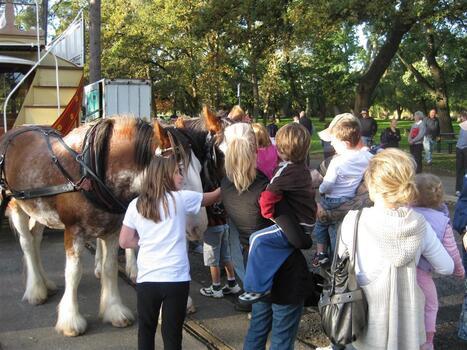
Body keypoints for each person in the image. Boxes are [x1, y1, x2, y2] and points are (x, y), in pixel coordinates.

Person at [338, 148, 454, 349]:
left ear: (372, 184)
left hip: (362, 321)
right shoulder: (420, 225)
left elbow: (341, 262)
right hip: (408, 329)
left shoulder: (353, 221)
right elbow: (447, 267)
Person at [220, 122, 317, 349]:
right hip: (284, 271)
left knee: (258, 328)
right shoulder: (266, 187)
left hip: (255, 266)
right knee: (282, 338)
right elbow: (298, 239)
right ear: (255, 152)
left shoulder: (226, 186)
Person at [119, 153, 220, 350]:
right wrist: (230, 178)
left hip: (147, 279)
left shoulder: (136, 205)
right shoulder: (181, 199)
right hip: (176, 279)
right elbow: (214, 197)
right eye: (177, 172)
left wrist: (147, 241)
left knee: (146, 330)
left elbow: (124, 241)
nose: (181, 176)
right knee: (172, 334)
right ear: (163, 176)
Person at [239, 123, 316, 303]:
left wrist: (268, 214)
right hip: (306, 223)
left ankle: (255, 288)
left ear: (279, 149)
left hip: (296, 224)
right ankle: (265, 279)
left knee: (257, 239)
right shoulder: (302, 169)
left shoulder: (285, 172)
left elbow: (267, 197)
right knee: (272, 246)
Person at [412, 173, 465, 350]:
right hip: (423, 274)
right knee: (430, 305)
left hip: (403, 269)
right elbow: (452, 252)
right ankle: (427, 341)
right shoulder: (442, 222)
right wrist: (459, 271)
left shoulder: (406, 211)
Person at [313, 113, 373, 266]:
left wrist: (320, 190)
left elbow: (327, 184)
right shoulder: (368, 158)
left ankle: (323, 254)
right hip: (350, 201)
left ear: (345, 143)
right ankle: (336, 260)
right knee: (338, 232)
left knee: (322, 224)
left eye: (333, 140)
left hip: (334, 201)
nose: (331, 145)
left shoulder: (336, 161)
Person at [199, 203, 241, 298]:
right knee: (226, 256)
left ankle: (216, 288)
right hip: (224, 224)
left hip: (211, 227)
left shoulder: (206, 191)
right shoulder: (221, 189)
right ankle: (232, 283)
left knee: (213, 260)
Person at [455, 111, 467, 196]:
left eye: (462, 117)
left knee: (464, 170)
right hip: (460, 149)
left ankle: (463, 188)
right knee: (459, 169)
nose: (461, 119)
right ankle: (458, 189)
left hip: (464, 149)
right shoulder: (462, 126)